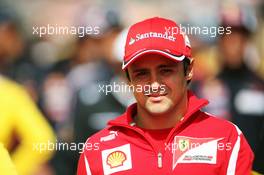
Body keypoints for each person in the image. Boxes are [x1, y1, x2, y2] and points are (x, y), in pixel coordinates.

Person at [77, 17, 253, 175]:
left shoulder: (226, 138)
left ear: (189, 70)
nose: (154, 84)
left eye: (165, 71)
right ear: (128, 78)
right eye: (142, 74)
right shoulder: (98, 149)